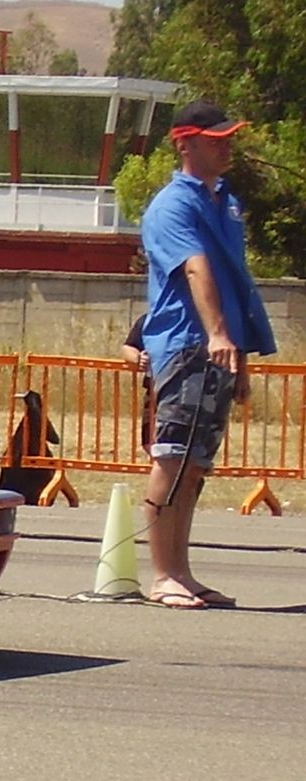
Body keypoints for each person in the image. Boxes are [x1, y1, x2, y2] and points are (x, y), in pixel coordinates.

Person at [138, 100, 277, 609]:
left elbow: (235, 278)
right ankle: (161, 574)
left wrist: (238, 356)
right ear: (185, 143)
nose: (227, 146)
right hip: (188, 345)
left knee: (195, 465)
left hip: (220, 349)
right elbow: (196, 269)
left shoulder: (226, 203)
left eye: (228, 138)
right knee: (173, 457)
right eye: (215, 139)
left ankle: (182, 571)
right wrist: (217, 336)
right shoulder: (173, 206)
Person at [121, 312, 152, 455]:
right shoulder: (148, 319)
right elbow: (128, 347)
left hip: (189, 392)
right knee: (149, 443)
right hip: (154, 392)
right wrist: (138, 358)